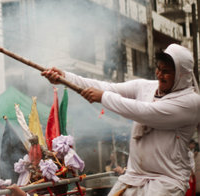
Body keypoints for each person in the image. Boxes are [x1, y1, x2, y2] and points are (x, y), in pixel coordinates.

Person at [42, 43, 200, 195]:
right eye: (158, 69)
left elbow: (146, 112)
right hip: (133, 176)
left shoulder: (191, 102)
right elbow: (106, 87)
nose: (159, 75)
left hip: (166, 182)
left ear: (181, 76)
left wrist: (103, 97)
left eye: (166, 72)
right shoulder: (146, 87)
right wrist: (65, 77)